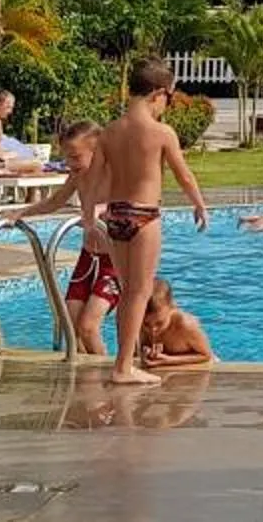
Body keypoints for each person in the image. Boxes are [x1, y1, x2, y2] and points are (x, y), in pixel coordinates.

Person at [88, 61, 210, 386]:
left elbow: (93, 179)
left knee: (128, 292)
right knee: (139, 293)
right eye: (168, 98)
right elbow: (183, 174)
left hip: (115, 215)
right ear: (158, 93)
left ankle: (124, 362)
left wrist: (89, 218)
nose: (167, 105)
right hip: (144, 216)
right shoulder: (161, 133)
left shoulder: (109, 132)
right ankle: (123, 367)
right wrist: (199, 205)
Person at [8, 122, 112, 353]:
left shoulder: (112, 175)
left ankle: (104, 373)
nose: (69, 164)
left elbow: (130, 202)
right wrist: (22, 212)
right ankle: (85, 375)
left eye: (75, 157)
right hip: (88, 257)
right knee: (71, 323)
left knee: (88, 327)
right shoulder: (78, 177)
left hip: (113, 263)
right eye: (66, 157)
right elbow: (55, 202)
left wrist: (101, 208)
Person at [138, 277, 214, 368]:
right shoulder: (139, 324)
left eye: (159, 323)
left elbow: (206, 355)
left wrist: (167, 360)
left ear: (172, 307)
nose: (153, 330)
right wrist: (145, 352)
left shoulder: (185, 325)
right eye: (146, 324)